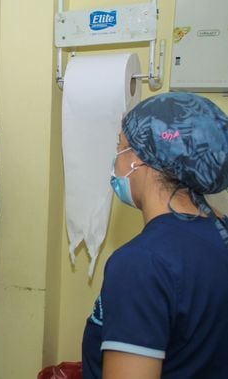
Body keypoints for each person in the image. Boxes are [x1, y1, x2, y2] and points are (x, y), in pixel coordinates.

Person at [82, 92, 228, 379]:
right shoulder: (219, 234)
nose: (116, 161)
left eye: (120, 148)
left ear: (139, 160)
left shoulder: (142, 263)